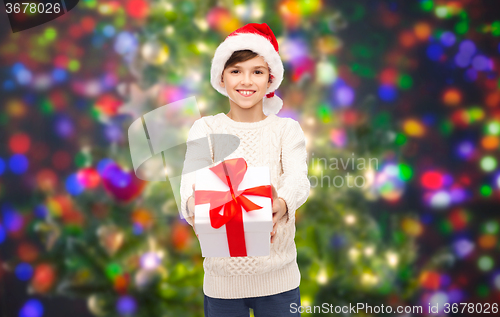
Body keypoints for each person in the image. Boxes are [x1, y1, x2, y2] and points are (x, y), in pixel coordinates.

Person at [179, 22, 310, 317]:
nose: (246, 81)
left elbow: (298, 179)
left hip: (278, 281)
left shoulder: (286, 129)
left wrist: (281, 203)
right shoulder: (206, 129)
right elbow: (188, 185)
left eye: (257, 71)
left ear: (270, 79)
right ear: (221, 78)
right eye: (236, 70)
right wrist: (196, 206)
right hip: (222, 283)